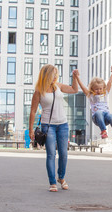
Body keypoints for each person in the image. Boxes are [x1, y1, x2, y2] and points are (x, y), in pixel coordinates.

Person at [29, 64, 78, 192]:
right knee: (51, 154)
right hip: (48, 125)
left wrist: (75, 77)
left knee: (64, 154)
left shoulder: (59, 86)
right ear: (47, 75)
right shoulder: (39, 91)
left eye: (57, 74)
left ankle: (61, 178)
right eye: (54, 74)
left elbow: (74, 90)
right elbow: (33, 111)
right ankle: (52, 182)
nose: (56, 76)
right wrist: (30, 130)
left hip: (63, 124)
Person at [74, 69, 112, 142]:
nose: (99, 91)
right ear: (92, 89)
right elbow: (83, 87)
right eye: (96, 89)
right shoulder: (91, 96)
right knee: (99, 112)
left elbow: (110, 82)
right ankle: (103, 131)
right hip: (97, 118)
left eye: (100, 89)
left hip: (106, 117)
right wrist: (77, 77)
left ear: (103, 88)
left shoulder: (105, 93)